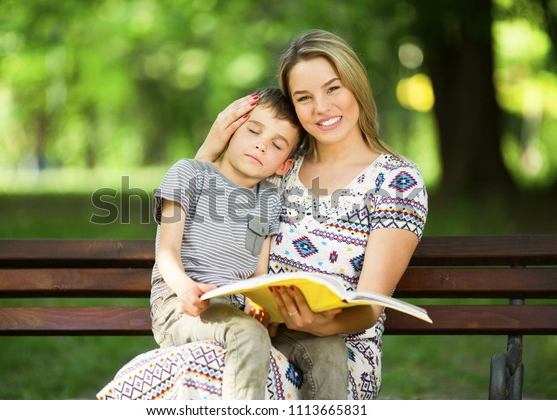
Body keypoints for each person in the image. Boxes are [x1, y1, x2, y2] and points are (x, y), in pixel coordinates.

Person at [196, 29, 428, 399]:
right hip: (259, 336)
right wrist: (209, 150)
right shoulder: (280, 167)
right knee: (184, 369)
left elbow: (369, 308)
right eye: (304, 98)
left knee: (201, 380)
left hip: (341, 353)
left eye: (333, 88)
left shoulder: (398, 181)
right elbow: (200, 220)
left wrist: (320, 325)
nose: (321, 108)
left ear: (356, 86)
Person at [150, 87, 349, 400]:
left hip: (239, 310)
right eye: (254, 130)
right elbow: (167, 252)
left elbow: (258, 274)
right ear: (232, 131)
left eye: (276, 144)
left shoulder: (269, 199)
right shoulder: (189, 174)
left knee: (328, 346)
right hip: (182, 307)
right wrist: (185, 288)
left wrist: (264, 305)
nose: (260, 144)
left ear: (283, 165)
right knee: (246, 332)